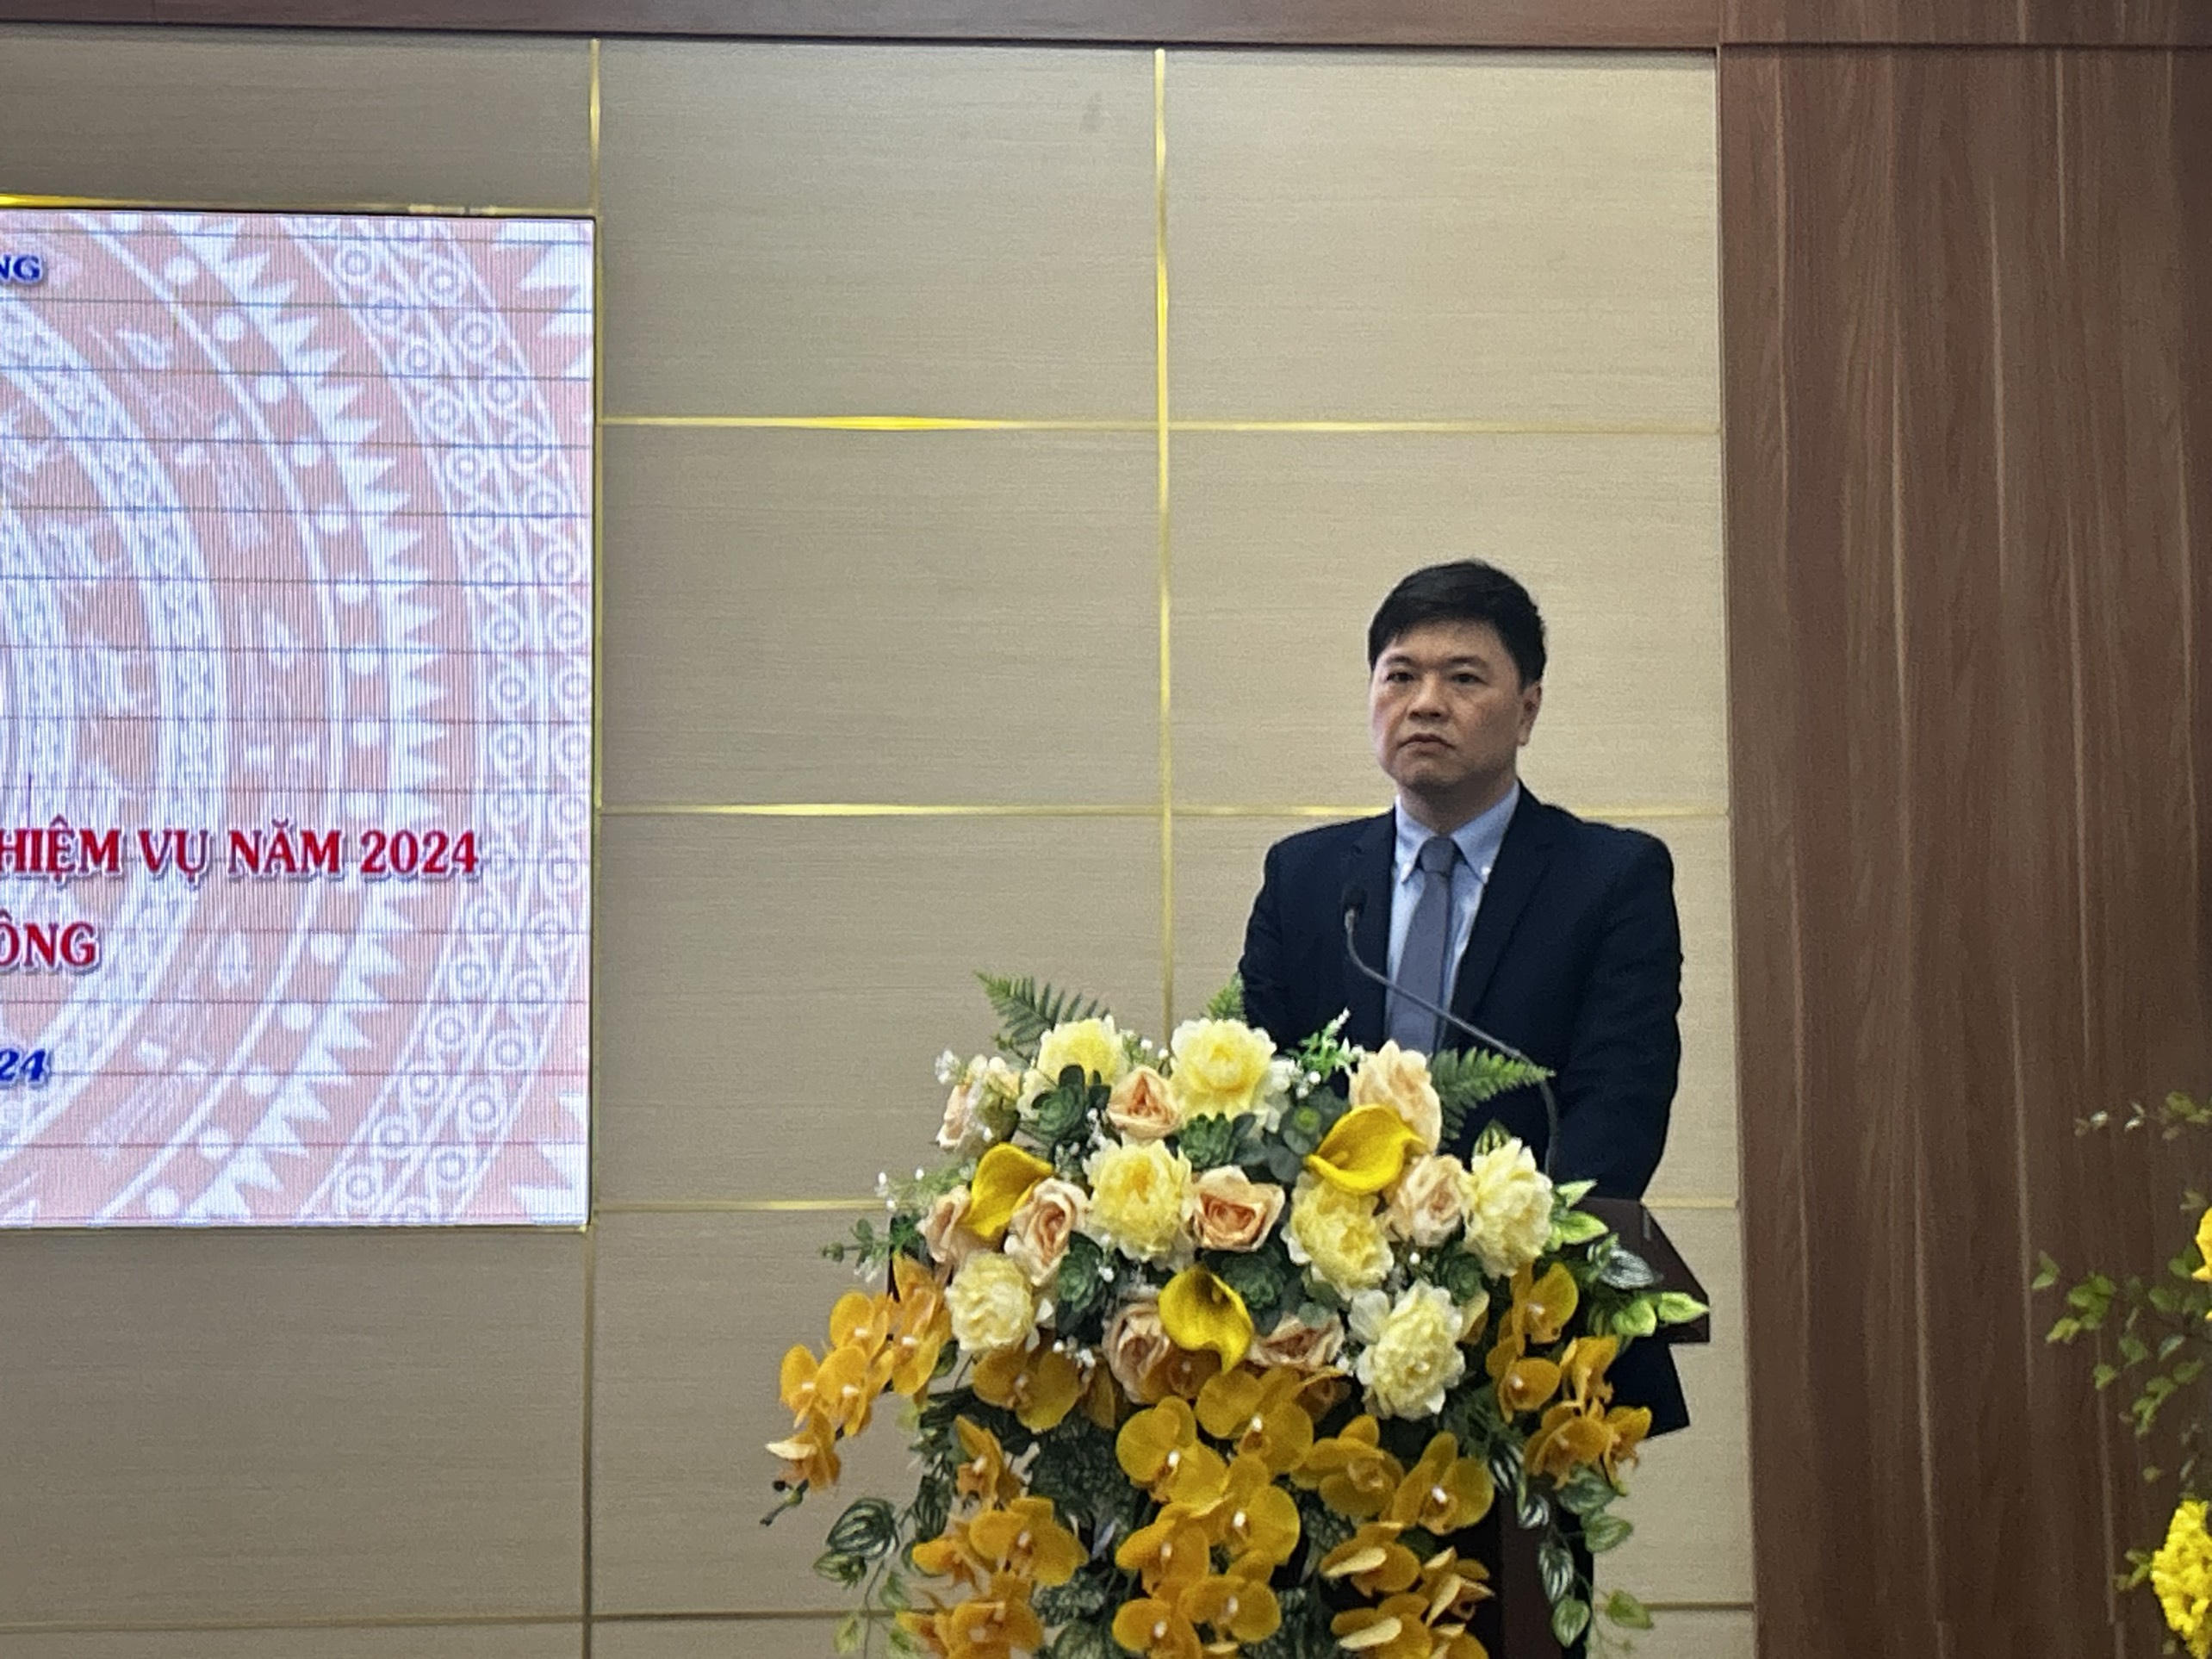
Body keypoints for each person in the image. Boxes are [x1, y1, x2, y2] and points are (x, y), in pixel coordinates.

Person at [1236, 557, 1688, 1424]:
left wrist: (1489, 1269)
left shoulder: (1609, 879)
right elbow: (1262, 1091)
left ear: (1528, 710)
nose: (1426, 703)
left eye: (1464, 678)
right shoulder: (1307, 879)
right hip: (1319, 1333)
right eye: (1400, 676)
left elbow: (1619, 1109)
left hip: (1526, 1335)